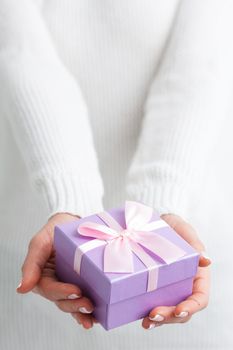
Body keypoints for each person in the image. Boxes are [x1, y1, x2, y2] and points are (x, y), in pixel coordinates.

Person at [0, 0, 232, 349]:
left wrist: (160, 202)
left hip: (187, 228)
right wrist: (70, 204)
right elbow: (20, 50)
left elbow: (202, 63)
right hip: (38, 245)